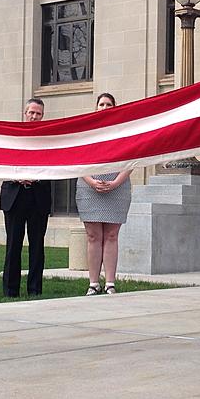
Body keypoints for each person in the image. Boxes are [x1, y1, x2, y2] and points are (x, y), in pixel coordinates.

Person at [77, 93, 132, 295]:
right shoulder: (86, 132)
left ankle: (110, 282)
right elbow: (78, 160)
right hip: (88, 186)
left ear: (115, 107)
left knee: (111, 235)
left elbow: (132, 159)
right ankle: (93, 283)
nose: (105, 107)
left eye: (109, 104)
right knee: (93, 236)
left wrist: (117, 181)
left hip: (117, 185)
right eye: (101, 104)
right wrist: (91, 181)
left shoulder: (124, 132)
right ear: (96, 107)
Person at [0, 98, 52, 297]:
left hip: (39, 197)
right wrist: (18, 177)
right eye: (31, 112)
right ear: (25, 113)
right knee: (13, 244)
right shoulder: (13, 136)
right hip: (14, 195)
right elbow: (1, 162)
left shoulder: (48, 139)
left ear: (42, 116)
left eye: (38, 113)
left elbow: (54, 166)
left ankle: (35, 289)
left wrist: (36, 178)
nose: (33, 116)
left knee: (37, 246)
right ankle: (10, 290)